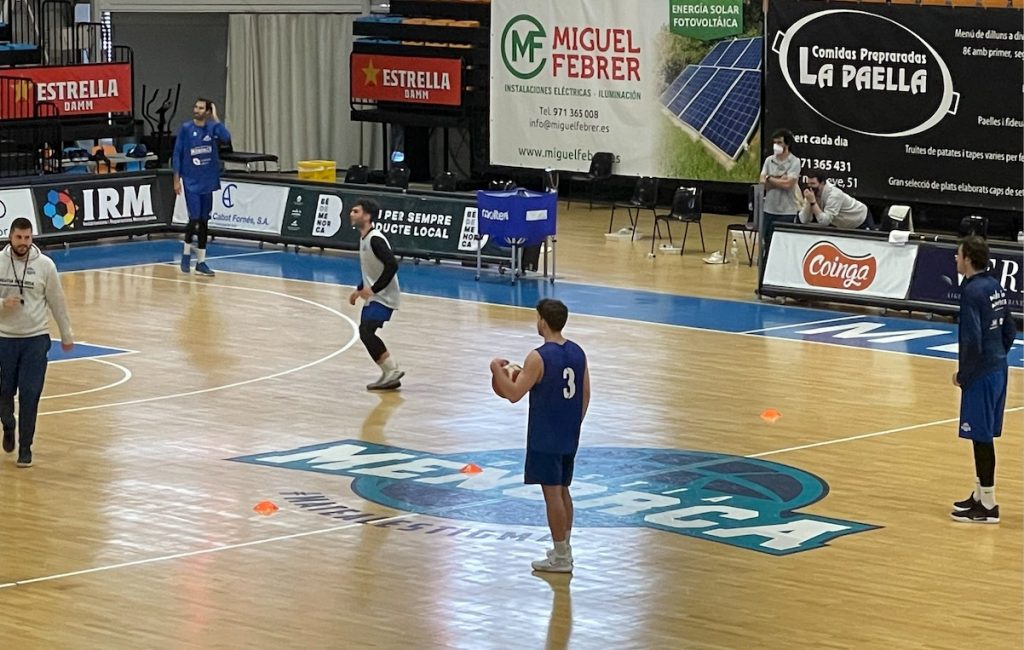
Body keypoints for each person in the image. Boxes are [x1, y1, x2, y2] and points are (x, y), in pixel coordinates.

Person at [491, 298, 590, 573]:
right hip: (569, 434)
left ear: (543, 321)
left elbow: (513, 394)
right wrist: (574, 425)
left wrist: (495, 369)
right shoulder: (578, 352)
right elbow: (586, 393)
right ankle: (564, 548)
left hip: (545, 435)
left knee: (552, 495)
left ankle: (560, 557)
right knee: (563, 490)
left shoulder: (538, 356)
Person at [950, 235, 1016, 524]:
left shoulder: (972, 292)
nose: (955, 258)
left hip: (981, 373)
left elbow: (972, 339)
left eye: (958, 253)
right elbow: (1010, 330)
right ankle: (979, 494)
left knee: (981, 437)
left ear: (968, 258)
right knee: (982, 434)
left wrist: (964, 375)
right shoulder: (994, 286)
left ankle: (988, 505)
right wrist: (998, 356)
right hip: (998, 367)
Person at [0, 217, 74, 468]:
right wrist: (2, 305)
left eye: (27, 238)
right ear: (10, 237)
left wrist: (66, 334)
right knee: (4, 392)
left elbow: (57, 301)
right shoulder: (0, 262)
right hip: (4, 339)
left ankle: (25, 448)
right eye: (19, 237)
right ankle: (8, 424)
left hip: (35, 339)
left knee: (30, 395)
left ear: (32, 238)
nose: (23, 243)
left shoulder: (45, 266)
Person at [347, 198, 404, 390]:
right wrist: (359, 289)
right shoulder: (364, 238)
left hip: (384, 296)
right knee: (365, 332)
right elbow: (371, 270)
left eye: (356, 211)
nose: (351, 214)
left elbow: (392, 265)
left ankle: (392, 370)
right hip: (375, 295)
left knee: (366, 331)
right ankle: (389, 372)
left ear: (367, 216)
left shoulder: (375, 239)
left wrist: (373, 289)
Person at [172, 97, 231, 277]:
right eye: (195, 107)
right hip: (191, 180)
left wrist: (215, 117)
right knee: (194, 218)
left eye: (200, 108)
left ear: (207, 111)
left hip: (208, 180)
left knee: (205, 221)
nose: (196, 110)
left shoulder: (212, 127)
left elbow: (226, 137)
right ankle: (186, 251)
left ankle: (201, 262)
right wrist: (176, 179)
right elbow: (177, 153)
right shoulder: (186, 128)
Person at [759, 128, 802, 248]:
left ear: (787, 144)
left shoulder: (795, 161)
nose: (776, 145)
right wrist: (778, 178)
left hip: (787, 211)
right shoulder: (769, 160)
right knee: (767, 243)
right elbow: (762, 181)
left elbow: (788, 185)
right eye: (774, 143)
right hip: (769, 209)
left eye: (779, 143)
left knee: (784, 245)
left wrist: (770, 178)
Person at [798, 168, 871, 230]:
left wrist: (813, 203)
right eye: (808, 184)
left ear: (822, 183)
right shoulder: (811, 194)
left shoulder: (834, 194)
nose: (810, 187)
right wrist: (808, 202)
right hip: (843, 224)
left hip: (860, 218)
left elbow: (824, 222)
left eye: (813, 184)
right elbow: (803, 219)